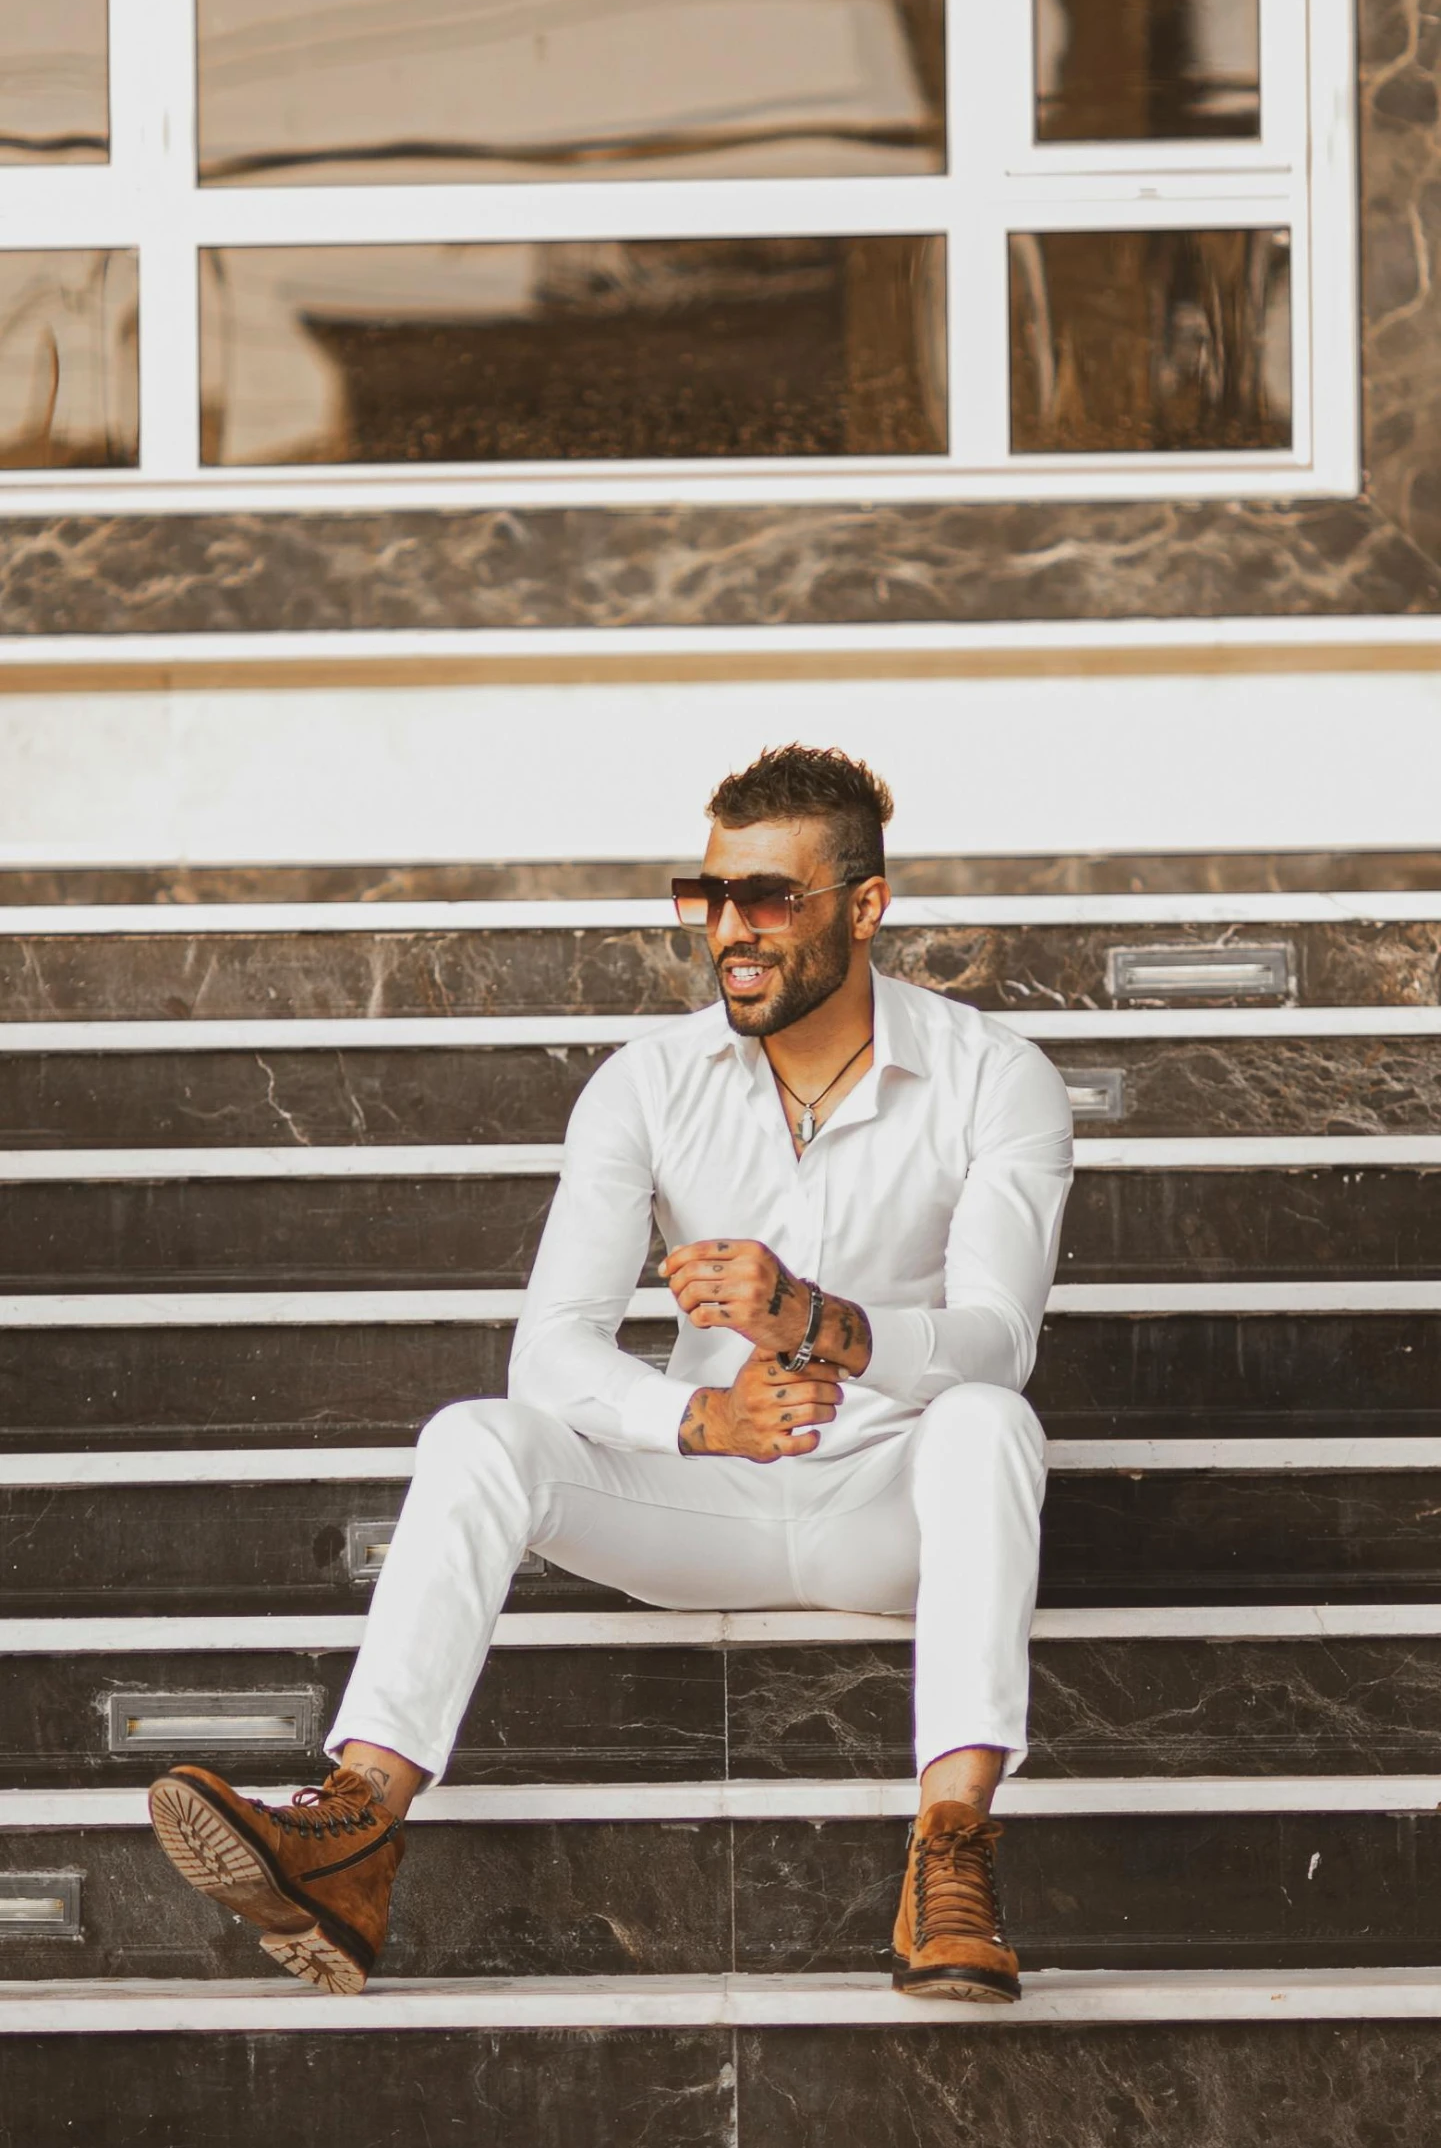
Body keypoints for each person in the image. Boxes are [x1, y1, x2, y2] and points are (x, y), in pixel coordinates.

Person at [148, 745, 1074, 2003]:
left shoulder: (994, 1075)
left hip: (891, 1505)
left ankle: (951, 1859)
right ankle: (351, 1833)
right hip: (702, 1496)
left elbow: (995, 1338)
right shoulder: (644, 1083)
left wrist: (818, 1320)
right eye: (708, 898)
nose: (730, 932)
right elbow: (554, 1350)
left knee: (988, 1423)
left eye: (768, 899)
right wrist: (699, 1416)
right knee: (478, 1436)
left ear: (865, 907)